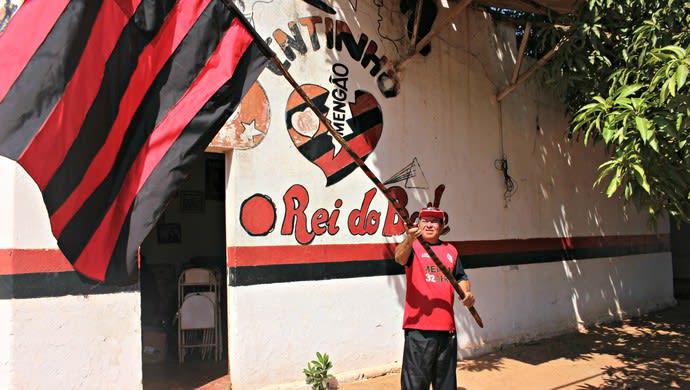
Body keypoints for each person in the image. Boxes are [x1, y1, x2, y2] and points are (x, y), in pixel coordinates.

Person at [394, 206, 475, 390]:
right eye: (425, 220)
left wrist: (467, 294)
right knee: (415, 384)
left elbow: (461, 277)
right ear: (418, 224)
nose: (429, 224)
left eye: (435, 221)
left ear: (441, 226)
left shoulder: (450, 250)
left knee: (445, 384)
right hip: (418, 330)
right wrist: (409, 238)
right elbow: (399, 258)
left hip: (446, 330)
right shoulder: (412, 247)